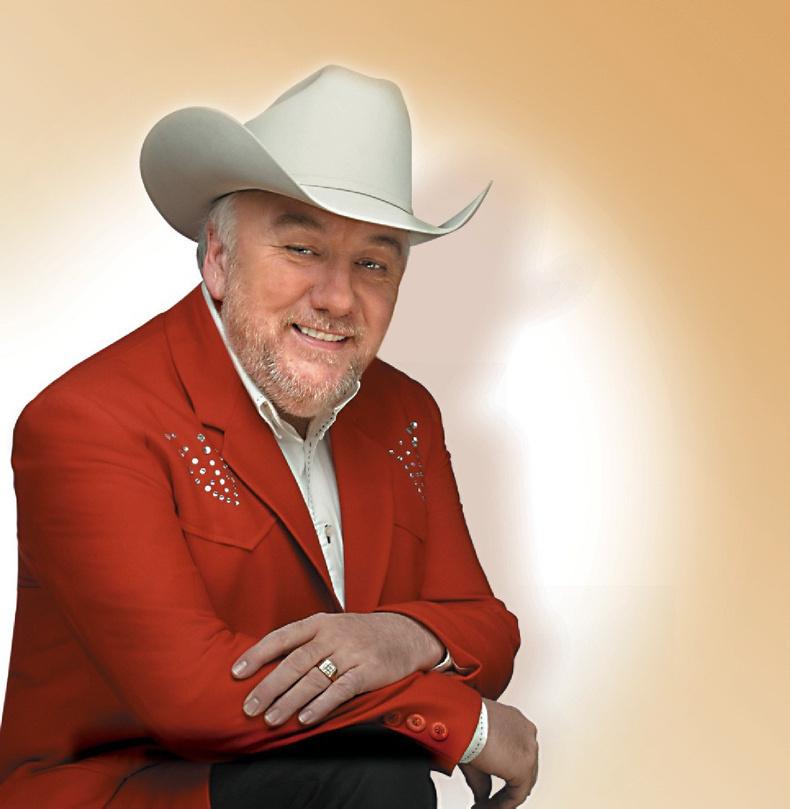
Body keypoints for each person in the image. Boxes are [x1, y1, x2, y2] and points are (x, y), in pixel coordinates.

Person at [0, 65, 538, 808]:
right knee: (377, 776)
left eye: (373, 263)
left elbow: (488, 631)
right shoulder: (88, 420)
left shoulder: (407, 412)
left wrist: (397, 635)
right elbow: (191, 697)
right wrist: (458, 722)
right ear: (218, 260)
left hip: (335, 779)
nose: (338, 298)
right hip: (127, 790)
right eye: (302, 250)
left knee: (377, 776)